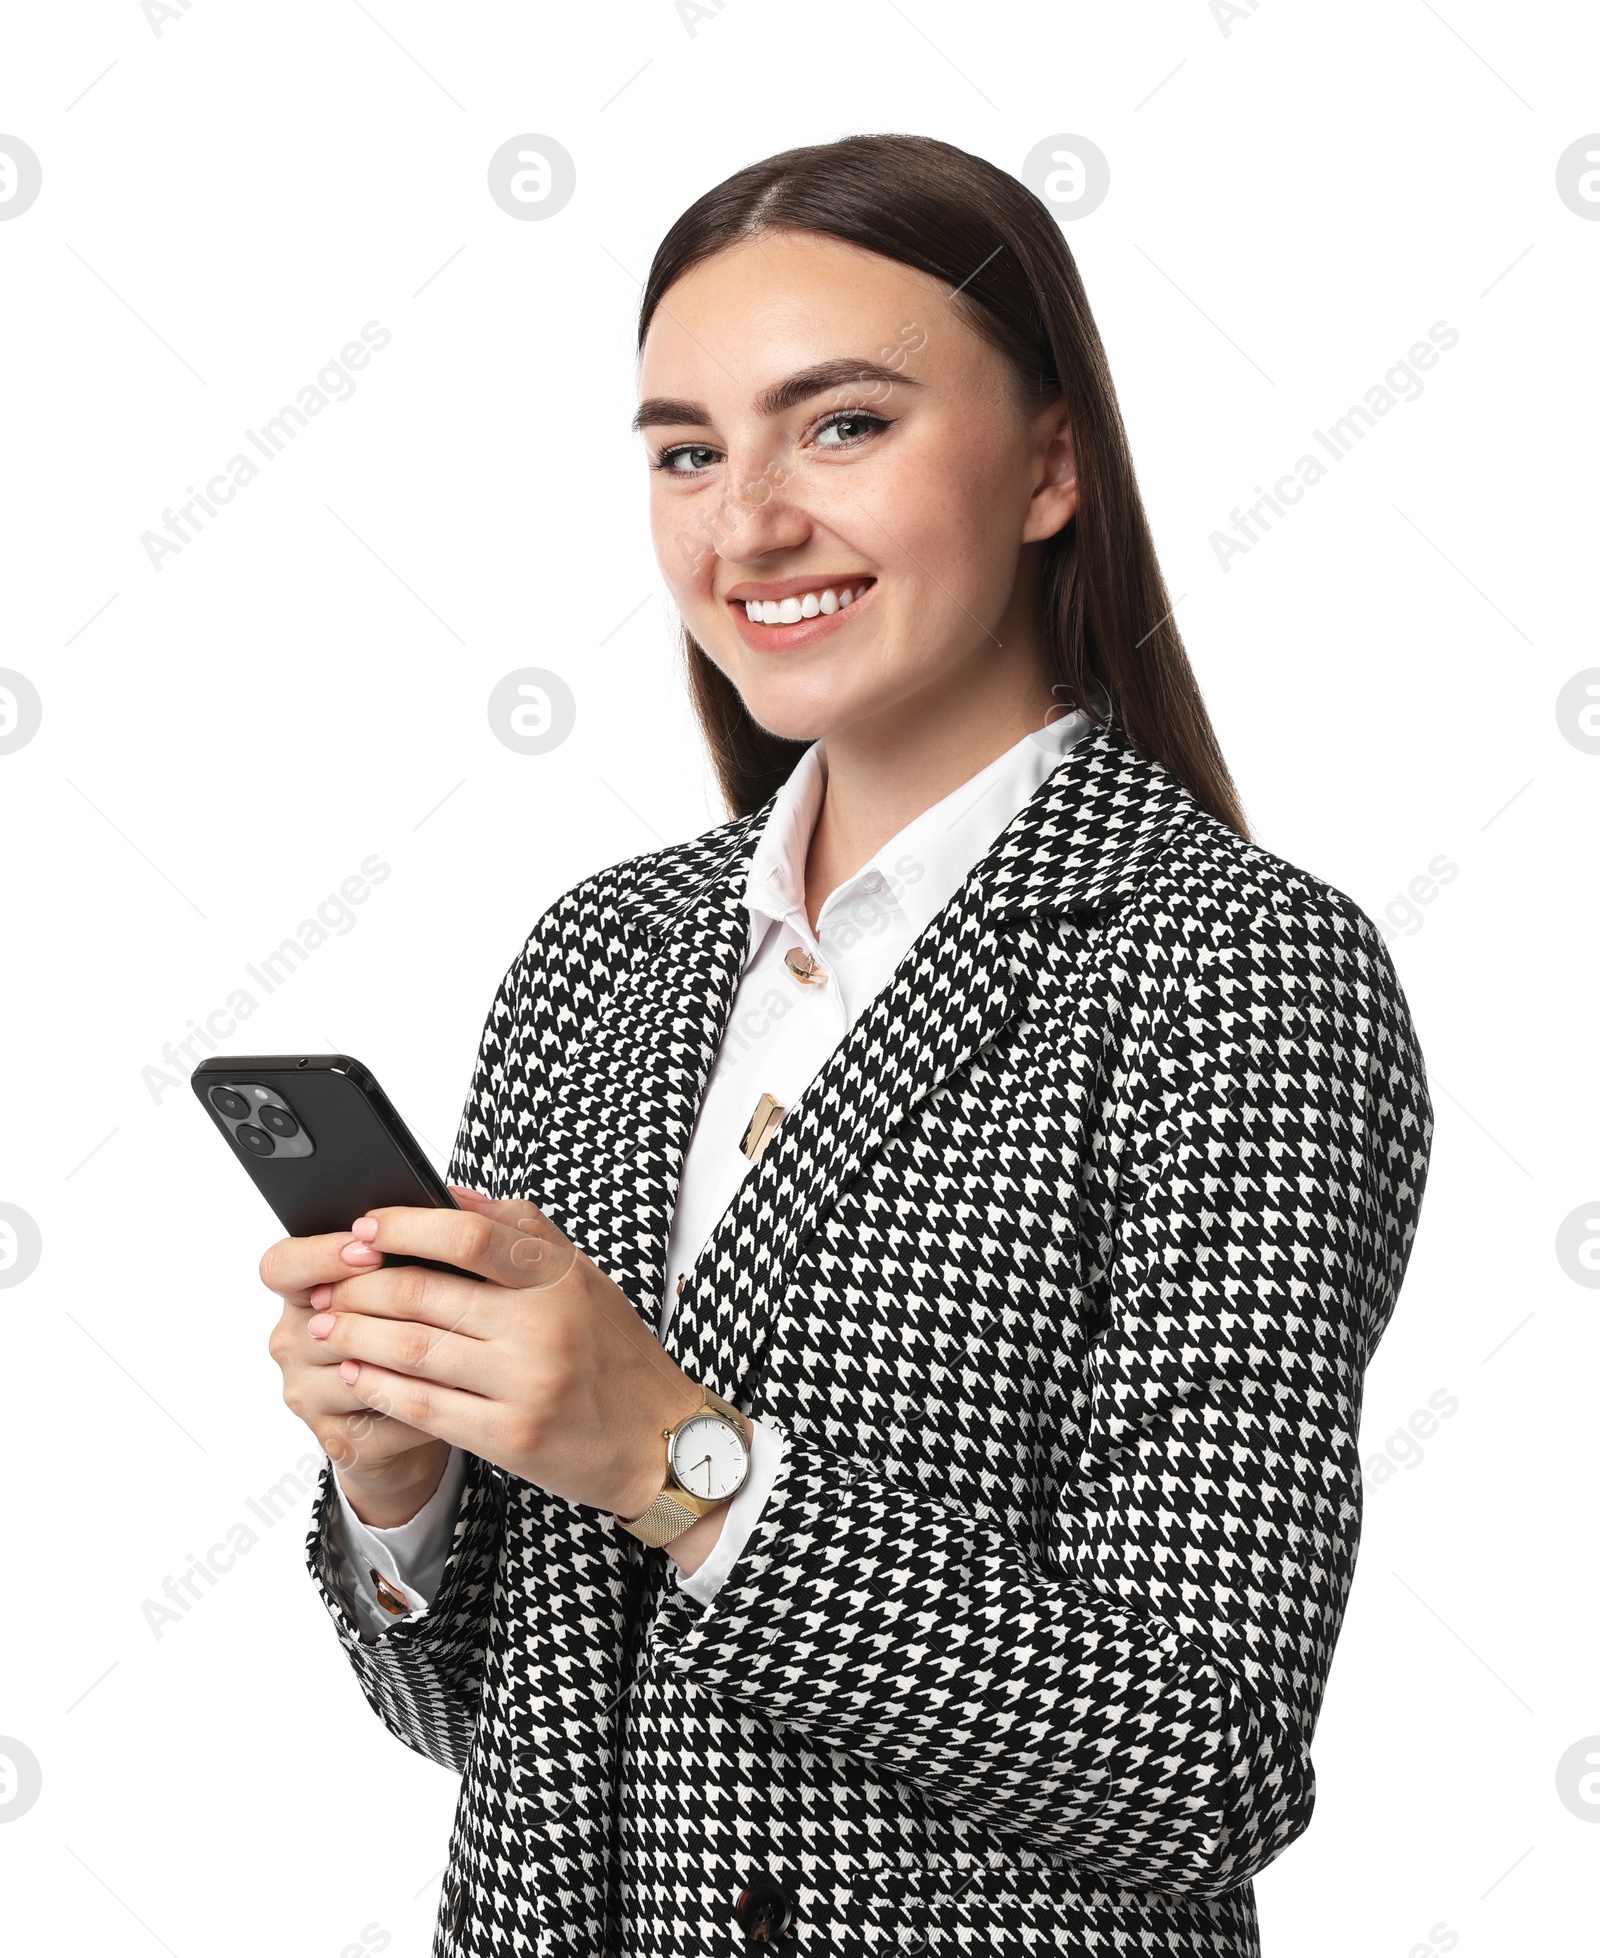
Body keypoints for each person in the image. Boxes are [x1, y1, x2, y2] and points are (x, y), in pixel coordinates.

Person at [262, 133, 1433, 1956]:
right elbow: (488, 1733)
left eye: (844, 425)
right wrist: (397, 1486)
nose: (747, 526)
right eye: (686, 452)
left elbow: (1205, 1760)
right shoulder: (602, 955)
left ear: (1052, 463)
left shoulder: (1236, 964)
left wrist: (684, 1461)